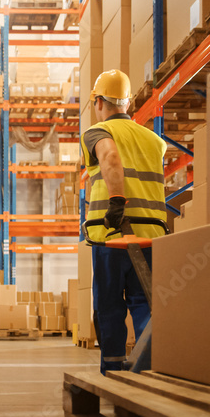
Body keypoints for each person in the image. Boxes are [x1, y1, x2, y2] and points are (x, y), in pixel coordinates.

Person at [80, 70, 167, 375]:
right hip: (151, 235)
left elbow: (111, 158)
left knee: (109, 307)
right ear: (128, 103)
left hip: (113, 234)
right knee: (144, 303)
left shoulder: (97, 132)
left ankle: (114, 371)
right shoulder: (155, 141)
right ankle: (146, 370)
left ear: (99, 101)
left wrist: (116, 202)